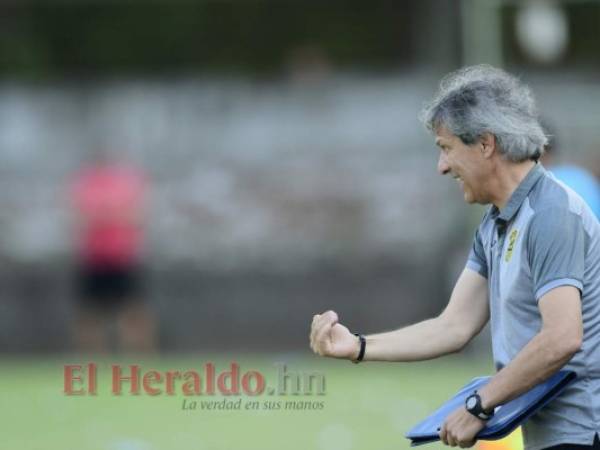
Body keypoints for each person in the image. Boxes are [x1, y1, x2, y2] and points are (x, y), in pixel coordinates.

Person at [309, 65, 600, 450]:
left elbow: (562, 337)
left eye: (447, 148)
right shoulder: (496, 221)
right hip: (552, 438)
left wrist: (480, 406)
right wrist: (359, 347)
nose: (442, 166)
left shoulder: (551, 214)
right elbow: (454, 326)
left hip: (585, 435)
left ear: (485, 144)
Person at [71, 153, 156, 353]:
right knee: (90, 313)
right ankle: (91, 360)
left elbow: (137, 214)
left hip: (122, 256)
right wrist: (112, 214)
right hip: (94, 257)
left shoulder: (126, 183)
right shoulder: (85, 183)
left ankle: (139, 357)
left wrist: (105, 215)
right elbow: (80, 217)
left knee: (133, 310)